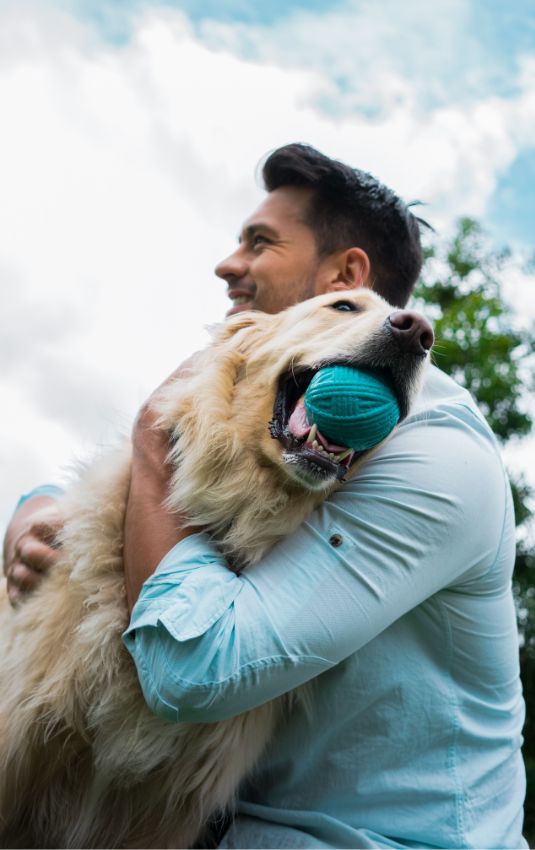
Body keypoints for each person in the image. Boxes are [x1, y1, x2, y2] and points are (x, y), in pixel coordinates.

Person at [3, 144, 526, 849]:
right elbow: (143, 481)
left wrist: (153, 451)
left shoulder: (435, 458)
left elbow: (194, 670)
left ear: (346, 273)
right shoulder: (264, 405)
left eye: (260, 243)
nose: (228, 264)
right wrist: (35, 507)